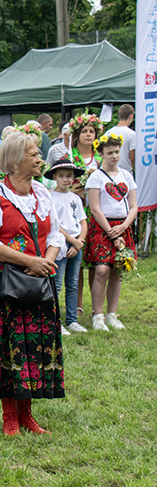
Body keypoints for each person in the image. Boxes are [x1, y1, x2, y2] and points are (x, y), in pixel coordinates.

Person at [0, 132, 65, 435]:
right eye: (34, 154)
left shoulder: (42, 192)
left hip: (39, 279)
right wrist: (30, 262)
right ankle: (10, 415)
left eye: (39, 153)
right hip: (5, 280)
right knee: (8, 348)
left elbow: (55, 236)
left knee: (34, 347)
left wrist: (46, 262)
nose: (40, 159)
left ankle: (27, 414)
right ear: (14, 161)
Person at [84, 133, 137, 331]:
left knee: (117, 269)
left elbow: (133, 206)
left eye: (116, 152)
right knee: (101, 269)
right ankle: (97, 315)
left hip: (123, 225)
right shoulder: (95, 177)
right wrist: (112, 232)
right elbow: (95, 208)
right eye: (109, 153)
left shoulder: (126, 176)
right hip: (102, 227)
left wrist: (124, 227)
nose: (114, 156)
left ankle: (112, 314)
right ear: (101, 154)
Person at [66, 112, 104, 316]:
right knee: (77, 260)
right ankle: (77, 303)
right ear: (77, 134)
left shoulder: (100, 157)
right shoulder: (70, 156)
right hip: (76, 210)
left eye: (92, 131)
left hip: (96, 212)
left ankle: (96, 305)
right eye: (85, 131)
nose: (89, 135)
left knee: (95, 259)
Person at [44, 158, 88, 334]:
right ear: (54, 176)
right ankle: (55, 321)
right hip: (59, 243)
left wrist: (79, 242)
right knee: (57, 283)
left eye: (69, 176)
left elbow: (83, 222)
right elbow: (53, 223)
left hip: (76, 243)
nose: (66, 180)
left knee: (73, 282)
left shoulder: (75, 198)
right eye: (61, 176)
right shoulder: (50, 196)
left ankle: (72, 319)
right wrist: (71, 239)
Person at [104, 104, 136, 175]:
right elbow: (132, 157)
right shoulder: (132, 134)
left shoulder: (108, 133)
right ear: (131, 116)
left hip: (109, 172)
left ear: (119, 116)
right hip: (126, 172)